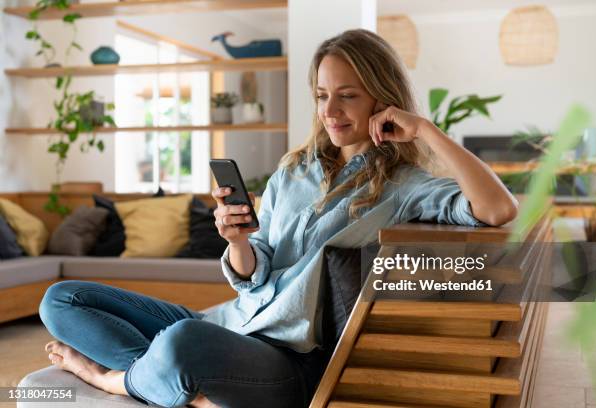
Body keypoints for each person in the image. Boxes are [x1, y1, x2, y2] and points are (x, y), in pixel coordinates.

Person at [39, 29, 517, 408]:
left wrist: (426, 130)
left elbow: (498, 210)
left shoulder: (404, 185)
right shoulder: (294, 168)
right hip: (231, 323)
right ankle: (179, 383)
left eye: (347, 95)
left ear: (382, 98)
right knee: (63, 299)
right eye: (322, 94)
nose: (330, 111)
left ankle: (116, 380)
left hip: (287, 358)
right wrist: (238, 241)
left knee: (182, 341)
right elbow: (252, 272)